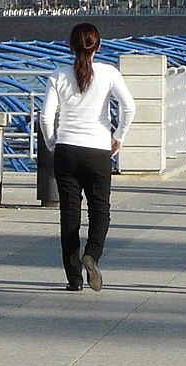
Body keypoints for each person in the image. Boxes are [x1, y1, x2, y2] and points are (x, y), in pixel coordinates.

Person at [40, 24, 136, 291]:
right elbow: (129, 106)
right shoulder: (108, 73)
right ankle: (91, 255)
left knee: (69, 216)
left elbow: (46, 116)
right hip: (98, 150)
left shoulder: (58, 75)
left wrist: (52, 143)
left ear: (71, 46)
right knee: (100, 211)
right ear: (99, 46)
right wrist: (119, 136)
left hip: (67, 150)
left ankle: (74, 279)